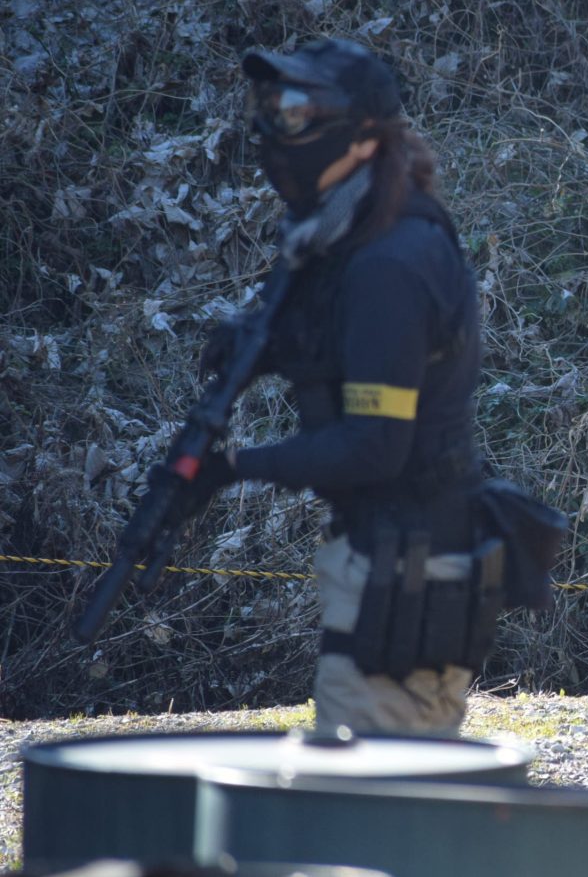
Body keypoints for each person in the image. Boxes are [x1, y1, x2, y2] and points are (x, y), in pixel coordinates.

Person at [196, 37, 495, 736]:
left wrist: (234, 467)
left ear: (364, 138)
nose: (280, 130)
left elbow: (372, 446)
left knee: (372, 802)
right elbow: (352, 354)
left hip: (403, 583)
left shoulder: (389, 263)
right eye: (274, 109)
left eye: (302, 112)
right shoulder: (349, 236)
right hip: (390, 562)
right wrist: (267, 348)